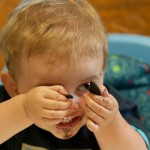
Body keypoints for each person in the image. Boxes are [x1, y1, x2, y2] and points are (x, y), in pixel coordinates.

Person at [0, 0, 149, 149]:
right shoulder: (8, 108)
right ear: (13, 88)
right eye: (51, 89)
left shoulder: (112, 110)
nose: (71, 102)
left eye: (86, 85)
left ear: (103, 72)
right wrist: (24, 110)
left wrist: (110, 126)